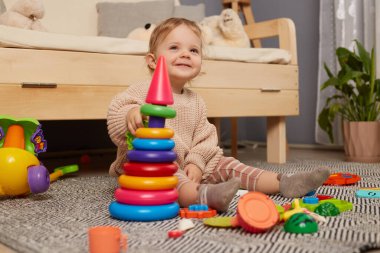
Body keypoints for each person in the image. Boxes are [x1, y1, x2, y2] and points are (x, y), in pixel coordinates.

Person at [107, 17, 330, 213]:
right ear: (153, 61)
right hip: (151, 169)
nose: (185, 54)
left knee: (228, 164)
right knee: (172, 175)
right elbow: (117, 112)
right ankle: (205, 196)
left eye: (193, 50)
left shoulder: (196, 101)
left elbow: (206, 140)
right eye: (174, 47)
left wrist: (196, 162)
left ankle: (283, 183)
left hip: (191, 165)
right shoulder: (141, 91)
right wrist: (131, 113)